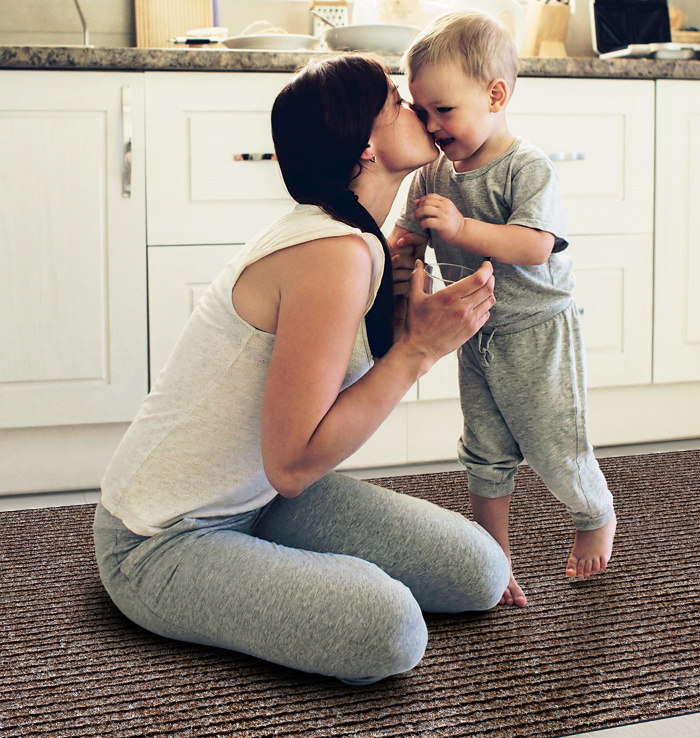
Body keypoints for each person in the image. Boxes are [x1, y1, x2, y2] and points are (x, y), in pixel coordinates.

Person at [92, 53, 509, 686]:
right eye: (396, 101)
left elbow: (296, 451)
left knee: (482, 570)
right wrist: (417, 350)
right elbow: (294, 463)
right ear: (366, 145)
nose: (416, 105)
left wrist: (399, 322)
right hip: (160, 537)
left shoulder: (356, 239)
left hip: (259, 498)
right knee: (391, 630)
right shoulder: (330, 253)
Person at [389, 10, 616, 608]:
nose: (432, 126)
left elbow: (536, 246)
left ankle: (594, 512)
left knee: (552, 442)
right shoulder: (431, 174)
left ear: (495, 94)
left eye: (444, 110)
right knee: (484, 449)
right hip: (477, 332)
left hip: (539, 330)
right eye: (422, 112)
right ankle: (495, 556)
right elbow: (409, 234)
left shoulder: (526, 166)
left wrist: (463, 226)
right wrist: (402, 249)